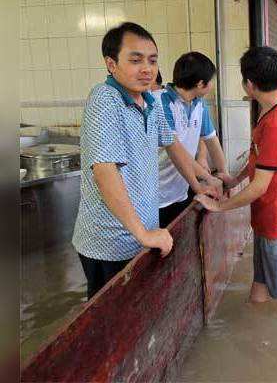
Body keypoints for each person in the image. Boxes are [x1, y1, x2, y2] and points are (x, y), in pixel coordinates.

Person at [72, 22, 216, 300]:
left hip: (140, 234)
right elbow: (104, 170)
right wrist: (143, 234)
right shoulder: (105, 99)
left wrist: (199, 188)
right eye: (135, 60)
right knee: (110, 323)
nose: (147, 69)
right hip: (109, 241)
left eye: (152, 60)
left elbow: (172, 145)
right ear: (111, 64)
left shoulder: (149, 101)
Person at [195, 46, 277, 308]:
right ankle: (254, 323)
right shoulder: (269, 113)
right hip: (267, 217)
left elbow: (259, 186)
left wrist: (219, 206)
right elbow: (259, 163)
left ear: (249, 84)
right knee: (260, 284)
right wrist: (233, 181)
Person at [155, 52, 229, 228]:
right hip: (156, 194)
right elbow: (176, 151)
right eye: (210, 81)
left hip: (181, 188)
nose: (212, 85)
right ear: (200, 84)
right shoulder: (161, 103)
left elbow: (212, 141)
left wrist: (223, 174)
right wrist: (205, 179)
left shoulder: (199, 104)